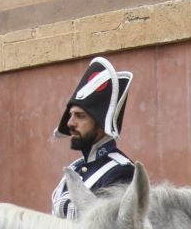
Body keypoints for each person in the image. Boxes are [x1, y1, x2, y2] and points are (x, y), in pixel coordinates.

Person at [52, 56, 138, 217]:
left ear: (100, 122)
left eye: (80, 116)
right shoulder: (75, 169)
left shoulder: (120, 171)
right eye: (71, 115)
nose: (70, 123)